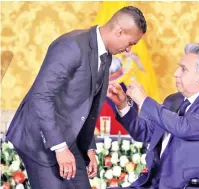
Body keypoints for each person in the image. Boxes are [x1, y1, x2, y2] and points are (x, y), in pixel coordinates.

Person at [6, 6, 147, 189]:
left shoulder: (106, 55)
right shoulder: (71, 45)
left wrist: (89, 147)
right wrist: (60, 147)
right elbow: (41, 97)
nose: (128, 50)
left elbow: (87, 106)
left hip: (68, 137)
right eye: (131, 43)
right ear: (119, 32)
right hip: (39, 137)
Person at [107, 43, 199, 189]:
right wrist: (123, 105)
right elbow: (145, 132)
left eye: (183, 69)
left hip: (190, 185)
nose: (176, 73)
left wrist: (144, 101)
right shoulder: (173, 100)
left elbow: (184, 127)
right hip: (155, 182)